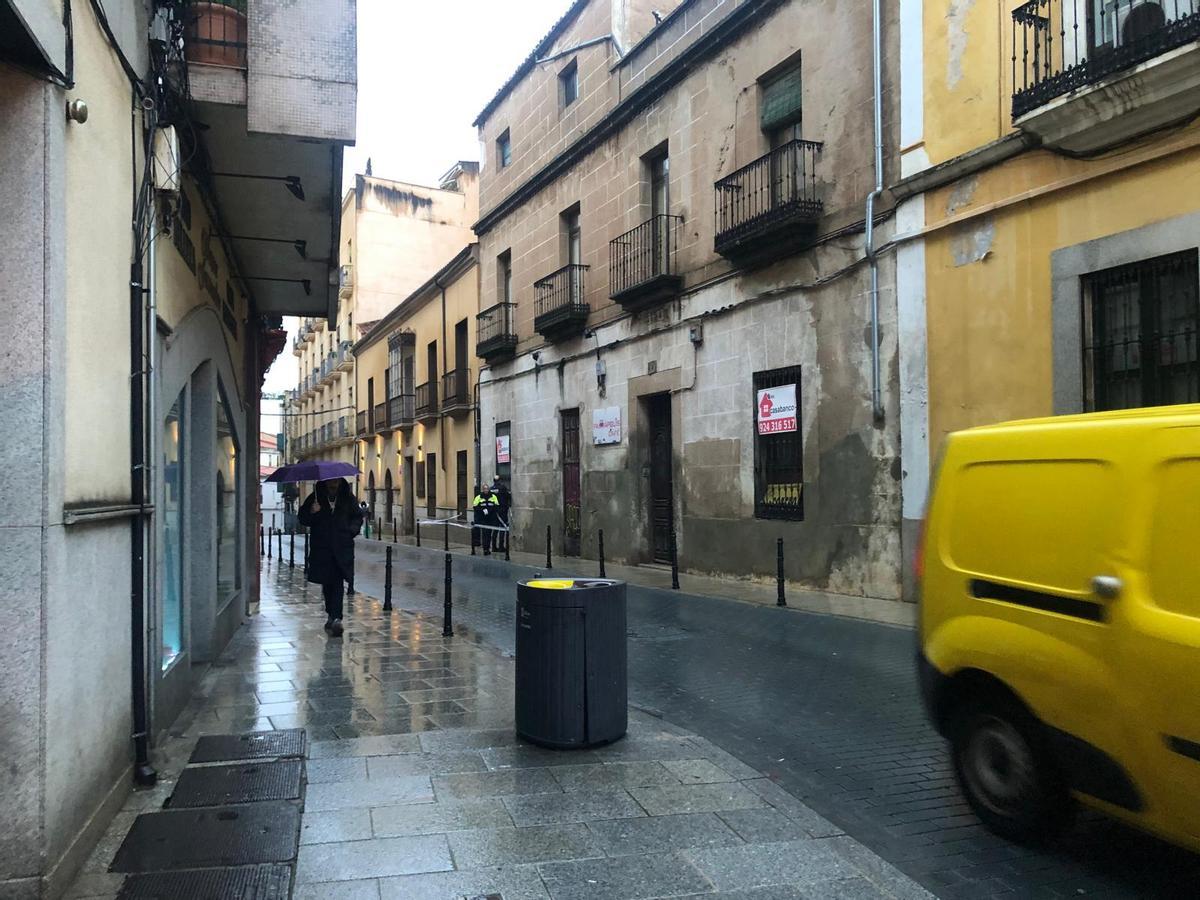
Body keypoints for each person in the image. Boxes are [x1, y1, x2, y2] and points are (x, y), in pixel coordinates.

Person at [298, 478, 364, 637]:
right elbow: (303, 518)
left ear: (339, 483)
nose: (333, 484)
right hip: (322, 548)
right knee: (327, 583)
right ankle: (331, 615)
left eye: (335, 481)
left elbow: (357, 517)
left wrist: (351, 531)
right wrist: (312, 512)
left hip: (342, 547)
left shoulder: (348, 497)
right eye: (330, 481)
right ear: (326, 482)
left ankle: (336, 618)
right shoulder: (315, 497)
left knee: (338, 581)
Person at [472, 482, 500, 555]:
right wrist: (482, 511)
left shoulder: (493, 496)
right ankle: (485, 549)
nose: (486, 490)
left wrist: (490, 511)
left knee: (489, 534)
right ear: (482, 490)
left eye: (487, 489)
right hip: (483, 519)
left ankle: (488, 548)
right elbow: (475, 507)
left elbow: (496, 506)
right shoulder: (478, 497)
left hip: (491, 519)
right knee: (485, 534)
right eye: (484, 489)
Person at [491, 476, 511, 554]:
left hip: (494, 511)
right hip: (502, 511)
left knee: (495, 529)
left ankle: (493, 546)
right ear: (499, 480)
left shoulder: (491, 489)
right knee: (502, 528)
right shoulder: (503, 488)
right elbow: (508, 496)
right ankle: (501, 546)